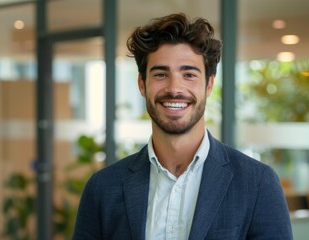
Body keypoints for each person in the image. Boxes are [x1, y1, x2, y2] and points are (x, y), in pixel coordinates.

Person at [72, 13, 293, 240]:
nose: (174, 88)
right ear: (142, 84)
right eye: (160, 74)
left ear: (208, 85)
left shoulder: (256, 183)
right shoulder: (103, 187)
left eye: (189, 74)